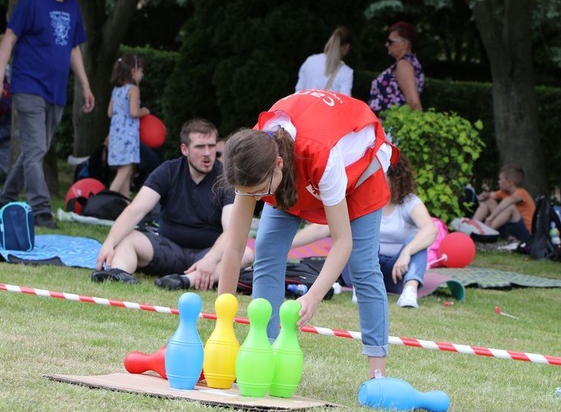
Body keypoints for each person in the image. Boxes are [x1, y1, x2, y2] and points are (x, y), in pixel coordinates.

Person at [217, 89, 397, 379]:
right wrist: (221, 324)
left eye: (261, 191)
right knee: (266, 252)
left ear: (278, 165)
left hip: (360, 166)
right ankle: (266, 353)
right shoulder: (249, 158)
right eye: (251, 194)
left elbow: (342, 241)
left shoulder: (320, 155)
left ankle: (377, 375)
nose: (258, 198)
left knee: (363, 267)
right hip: (296, 169)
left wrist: (313, 296)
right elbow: (235, 247)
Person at [0, 0, 95, 229]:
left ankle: (6, 197)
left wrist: (85, 86)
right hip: (28, 86)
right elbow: (9, 38)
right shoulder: (31, 1)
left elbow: (73, 50)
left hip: (56, 90)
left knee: (35, 150)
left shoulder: (72, 7)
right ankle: (41, 210)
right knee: (36, 152)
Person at [92, 118, 254, 290]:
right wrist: (109, 243)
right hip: (167, 249)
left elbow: (231, 230)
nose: (207, 153)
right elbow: (135, 211)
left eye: (211, 146)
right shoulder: (168, 170)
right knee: (126, 237)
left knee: (246, 254)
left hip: (207, 253)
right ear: (184, 149)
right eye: (200, 147)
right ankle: (119, 273)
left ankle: (184, 281)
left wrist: (210, 259)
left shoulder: (225, 179)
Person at [291, 152, 437, 309]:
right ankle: (360, 289)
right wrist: (286, 245)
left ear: (396, 179)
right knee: (364, 235)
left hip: (395, 272)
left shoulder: (409, 202)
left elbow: (430, 230)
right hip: (363, 266)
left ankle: (410, 291)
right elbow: (323, 228)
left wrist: (406, 253)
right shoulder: (360, 201)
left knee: (416, 243)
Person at [106, 53, 150, 197]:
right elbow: (133, 112)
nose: (142, 75)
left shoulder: (116, 90)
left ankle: (125, 203)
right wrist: (144, 111)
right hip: (128, 137)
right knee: (126, 169)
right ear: (133, 71)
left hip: (116, 136)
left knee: (126, 169)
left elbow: (110, 112)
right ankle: (106, 200)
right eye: (141, 71)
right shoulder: (133, 89)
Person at [368, 21, 424, 115]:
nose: (386, 45)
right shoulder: (409, 62)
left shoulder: (404, 65)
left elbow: (413, 102)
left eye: (390, 42)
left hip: (391, 125)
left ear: (404, 44)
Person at [473, 165, 535, 242]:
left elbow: (507, 202)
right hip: (509, 229)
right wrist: (483, 196)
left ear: (509, 183)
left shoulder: (521, 193)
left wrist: (491, 217)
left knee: (511, 207)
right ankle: (472, 226)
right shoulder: (504, 192)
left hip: (524, 233)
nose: (498, 182)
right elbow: (489, 195)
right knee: (489, 200)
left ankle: (485, 232)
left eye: (500, 179)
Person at [295, 26, 353, 96]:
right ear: (346, 47)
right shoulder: (346, 72)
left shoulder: (310, 61)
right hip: (329, 107)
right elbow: (344, 100)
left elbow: (298, 91)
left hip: (305, 106)